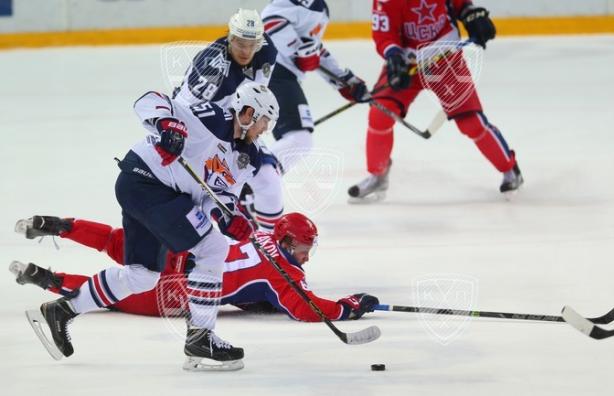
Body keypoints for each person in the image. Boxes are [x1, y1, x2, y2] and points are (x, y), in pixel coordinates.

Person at [24, 81, 279, 372]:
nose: (265, 129)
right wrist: (168, 124)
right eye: (263, 121)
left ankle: (62, 310)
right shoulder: (209, 118)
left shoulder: (248, 158)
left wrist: (227, 217)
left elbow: (219, 196)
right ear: (247, 113)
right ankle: (201, 337)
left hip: (157, 194)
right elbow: (148, 100)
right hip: (144, 181)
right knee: (212, 248)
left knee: (142, 276)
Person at [13, 213, 379, 322]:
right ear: (285, 243)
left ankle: (59, 225)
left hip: (182, 250)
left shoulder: (261, 237)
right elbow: (306, 309)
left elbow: (246, 275)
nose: (305, 256)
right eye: (301, 248)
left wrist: (251, 300)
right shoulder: (285, 273)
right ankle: (46, 279)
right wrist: (349, 307)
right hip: (185, 291)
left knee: (114, 241)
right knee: (114, 296)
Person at [348, 0, 523, 200]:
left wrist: (473, 16)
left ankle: (510, 169)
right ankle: (378, 175)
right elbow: (383, 35)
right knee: (380, 114)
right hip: (407, 65)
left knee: (471, 123)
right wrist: (394, 56)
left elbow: (461, 5)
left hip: (446, 59)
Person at [253, 0, 369, 220]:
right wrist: (298, 50)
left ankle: (252, 185)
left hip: (280, 74)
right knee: (298, 139)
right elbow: (269, 22)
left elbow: (314, 49)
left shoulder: (319, 8)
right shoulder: (297, 2)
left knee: (296, 140)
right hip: (274, 72)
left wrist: (345, 81)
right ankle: (254, 185)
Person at [172, 8, 283, 231]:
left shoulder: (267, 50)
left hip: (239, 122)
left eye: (252, 45)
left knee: (269, 179)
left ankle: (271, 243)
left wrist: (246, 131)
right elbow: (181, 111)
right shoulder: (211, 68)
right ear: (230, 37)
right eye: (240, 43)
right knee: (201, 200)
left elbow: (256, 94)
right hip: (204, 130)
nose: (246, 50)